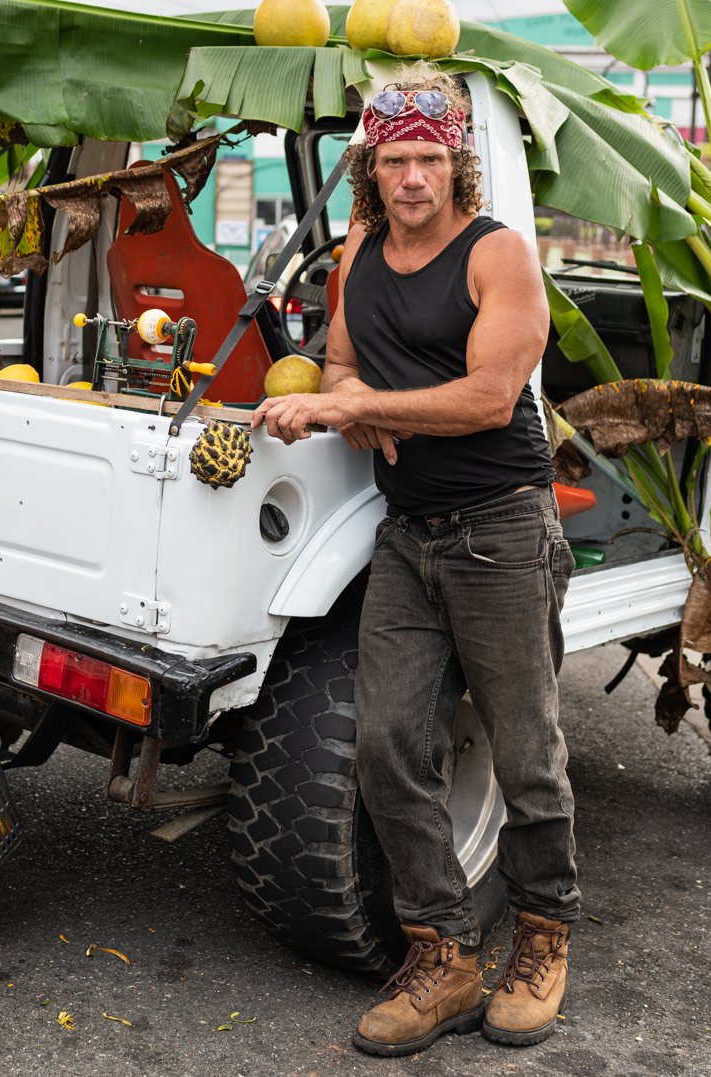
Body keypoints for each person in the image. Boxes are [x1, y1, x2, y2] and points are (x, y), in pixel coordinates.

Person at [253, 72, 577, 1057]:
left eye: (428, 158)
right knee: (389, 743)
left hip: (500, 530)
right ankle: (443, 952)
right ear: (370, 166)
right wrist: (358, 402)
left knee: (524, 752)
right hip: (407, 534)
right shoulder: (359, 249)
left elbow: (487, 397)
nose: (410, 177)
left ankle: (539, 940)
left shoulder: (497, 256)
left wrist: (357, 412)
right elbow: (345, 361)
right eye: (393, 159)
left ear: (455, 163)